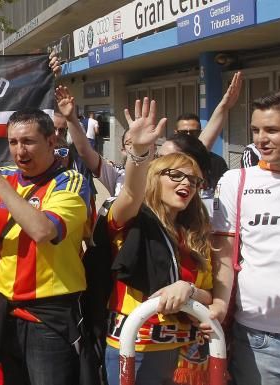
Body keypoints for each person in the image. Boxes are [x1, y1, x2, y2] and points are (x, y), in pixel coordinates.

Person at [0, 109, 92, 385]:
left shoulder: (70, 182)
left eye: (28, 141)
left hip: (47, 316)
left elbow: (42, 231)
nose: (20, 151)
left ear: (51, 141)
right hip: (3, 312)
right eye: (13, 142)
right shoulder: (4, 177)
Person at [99, 98, 214, 385]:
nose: (185, 184)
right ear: (154, 177)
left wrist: (187, 289)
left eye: (193, 180)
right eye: (175, 175)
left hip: (187, 353)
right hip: (134, 349)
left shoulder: (195, 234)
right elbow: (130, 194)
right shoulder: (133, 220)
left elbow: (208, 295)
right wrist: (138, 153)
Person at [211, 89, 280, 385]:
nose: (261, 139)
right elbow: (223, 250)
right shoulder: (237, 180)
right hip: (263, 340)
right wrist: (220, 304)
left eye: (272, 130)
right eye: (256, 130)